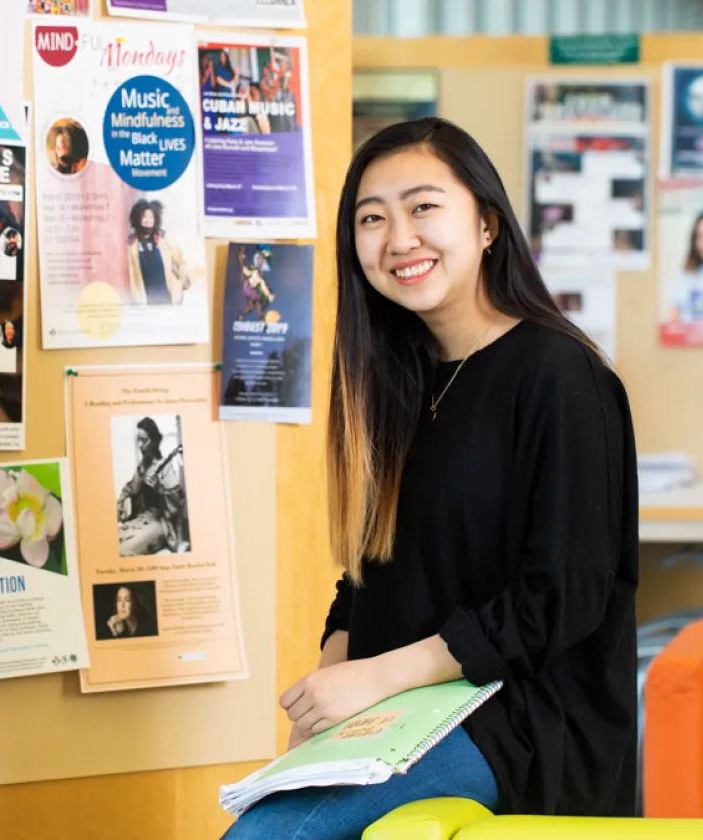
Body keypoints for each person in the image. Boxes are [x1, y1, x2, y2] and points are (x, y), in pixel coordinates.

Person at [221, 117, 638, 839]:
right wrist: (327, 702)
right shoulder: (393, 382)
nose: (398, 239)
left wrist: (377, 679)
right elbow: (367, 576)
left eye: (422, 207)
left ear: (486, 223)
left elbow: (562, 597)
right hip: (403, 713)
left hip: (520, 719)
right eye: (372, 218)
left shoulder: (560, 376)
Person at [116, 417, 188, 556]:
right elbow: (130, 489)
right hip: (139, 520)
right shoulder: (143, 466)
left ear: (154, 441)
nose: (139, 444)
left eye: (144, 440)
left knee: (124, 551)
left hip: (159, 524)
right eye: (138, 440)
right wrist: (120, 504)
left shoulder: (166, 468)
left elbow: (178, 503)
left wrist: (159, 489)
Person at [125, 200, 190, 306]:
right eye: (144, 217)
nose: (148, 220)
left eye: (151, 217)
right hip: (145, 302)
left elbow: (179, 260)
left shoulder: (163, 240)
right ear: (138, 219)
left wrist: (184, 279)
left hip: (167, 300)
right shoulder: (132, 244)